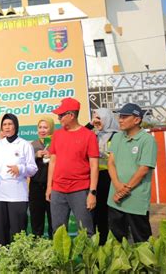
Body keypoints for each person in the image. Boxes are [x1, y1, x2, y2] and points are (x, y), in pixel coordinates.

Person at [0, 113, 37, 247]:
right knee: (0, 228)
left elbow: (33, 169)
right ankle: (1, 255)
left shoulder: (25, 145)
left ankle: (18, 257)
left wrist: (20, 169)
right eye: (4, 125)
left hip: (17, 195)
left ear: (16, 126)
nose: (7, 127)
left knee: (17, 229)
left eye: (10, 124)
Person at [45, 98, 99, 236]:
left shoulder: (89, 136)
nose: (58, 118)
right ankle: (62, 258)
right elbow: (53, 161)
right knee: (58, 232)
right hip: (58, 190)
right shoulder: (57, 134)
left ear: (71, 115)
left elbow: (94, 165)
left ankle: (89, 258)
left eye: (61, 115)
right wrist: (49, 187)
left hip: (80, 190)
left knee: (86, 231)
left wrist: (92, 193)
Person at [107, 103, 157, 243]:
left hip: (135, 199)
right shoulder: (117, 137)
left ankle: (145, 266)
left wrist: (124, 190)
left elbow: (143, 169)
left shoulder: (147, 140)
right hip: (115, 199)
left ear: (137, 120)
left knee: (141, 239)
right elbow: (111, 162)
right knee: (117, 239)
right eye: (119, 116)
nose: (120, 120)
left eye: (124, 117)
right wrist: (117, 186)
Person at [88, 108, 119, 245]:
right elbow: (81, 132)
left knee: (108, 213)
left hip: (109, 177)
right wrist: (90, 124)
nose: (96, 122)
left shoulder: (117, 136)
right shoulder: (94, 136)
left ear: (107, 119)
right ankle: (99, 244)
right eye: (95, 118)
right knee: (96, 212)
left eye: (99, 118)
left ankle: (110, 242)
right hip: (94, 177)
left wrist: (104, 155)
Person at [30, 117, 54, 238]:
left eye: (45, 127)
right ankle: (37, 245)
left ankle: (54, 245)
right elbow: (25, 164)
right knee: (36, 218)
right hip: (36, 186)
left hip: (53, 186)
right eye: (40, 127)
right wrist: (35, 155)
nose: (42, 130)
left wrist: (53, 156)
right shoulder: (32, 145)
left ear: (51, 128)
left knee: (53, 218)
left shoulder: (56, 143)